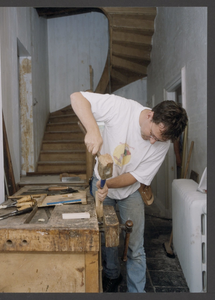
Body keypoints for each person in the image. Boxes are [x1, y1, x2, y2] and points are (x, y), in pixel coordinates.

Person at [70, 91, 188, 293]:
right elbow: (77, 98)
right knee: (108, 238)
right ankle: (112, 275)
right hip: (100, 183)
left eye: (157, 140)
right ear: (150, 115)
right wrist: (93, 131)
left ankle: (137, 291)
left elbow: (136, 177)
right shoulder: (121, 108)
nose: (152, 142)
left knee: (135, 247)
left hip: (129, 191)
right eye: (152, 134)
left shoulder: (162, 143)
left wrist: (109, 184)